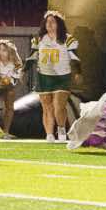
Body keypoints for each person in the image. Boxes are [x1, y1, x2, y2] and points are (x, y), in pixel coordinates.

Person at [33, 11, 77, 142]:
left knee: (58, 106)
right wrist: (23, 70)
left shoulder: (68, 39)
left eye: (53, 21)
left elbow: (74, 57)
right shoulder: (38, 39)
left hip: (62, 76)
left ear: (59, 24)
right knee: (47, 107)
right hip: (44, 76)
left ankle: (61, 128)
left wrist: (78, 72)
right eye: (47, 21)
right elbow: (32, 56)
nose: (49, 24)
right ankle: (49, 134)